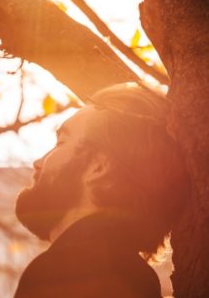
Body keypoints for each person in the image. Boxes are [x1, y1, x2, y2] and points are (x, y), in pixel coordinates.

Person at [14, 84, 190, 298]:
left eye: (61, 142)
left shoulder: (68, 271)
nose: (38, 162)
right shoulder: (136, 277)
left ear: (99, 166)